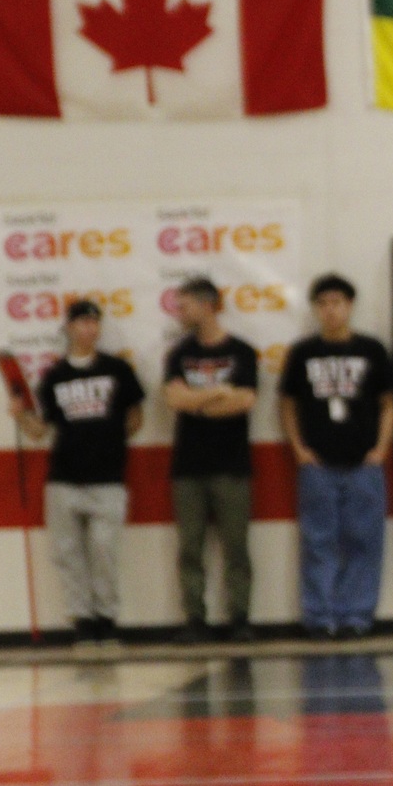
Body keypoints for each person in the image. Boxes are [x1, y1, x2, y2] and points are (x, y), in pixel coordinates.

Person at [9, 300, 145, 644]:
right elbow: (40, 431)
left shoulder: (118, 369)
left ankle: (107, 617)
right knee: (67, 553)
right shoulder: (55, 376)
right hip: (64, 478)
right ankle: (82, 618)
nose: (90, 328)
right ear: (69, 328)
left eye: (94, 322)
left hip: (108, 478)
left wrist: (108, 442)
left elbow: (135, 418)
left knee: (104, 550)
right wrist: (20, 414)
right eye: (83, 322)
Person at [280, 274, 393, 638]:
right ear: (316, 309)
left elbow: (389, 403)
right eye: (323, 304)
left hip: (364, 463)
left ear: (350, 306)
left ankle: (356, 617)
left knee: (364, 542)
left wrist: (381, 449)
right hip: (318, 463)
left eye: (337, 303)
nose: (330, 310)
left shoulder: (372, 350)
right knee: (318, 543)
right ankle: (320, 617)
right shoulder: (303, 353)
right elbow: (288, 404)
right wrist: (299, 449)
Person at [163, 276, 260, 644]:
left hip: (232, 465)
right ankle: (195, 620)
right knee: (190, 548)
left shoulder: (242, 352)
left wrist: (197, 402)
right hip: (188, 466)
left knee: (236, 547)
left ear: (207, 306)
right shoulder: (179, 354)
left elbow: (245, 401)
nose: (179, 312)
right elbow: (174, 400)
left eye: (184, 305)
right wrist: (218, 393)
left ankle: (240, 619)